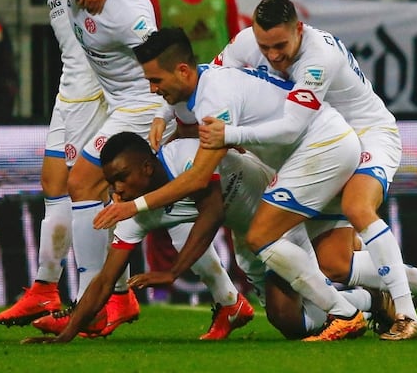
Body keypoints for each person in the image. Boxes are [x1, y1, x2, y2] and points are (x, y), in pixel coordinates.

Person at [214, 0, 417, 339]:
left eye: (280, 46)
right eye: (265, 47)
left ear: (298, 29)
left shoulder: (319, 57)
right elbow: (215, 80)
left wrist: (230, 133)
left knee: (357, 207)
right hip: (322, 150)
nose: (273, 56)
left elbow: (292, 126)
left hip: (366, 136)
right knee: (335, 264)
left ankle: (407, 316)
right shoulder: (245, 43)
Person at [96, 27, 369, 342]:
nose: (152, 88)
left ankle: (369, 303)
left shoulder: (214, 97)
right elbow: (192, 91)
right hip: (274, 177)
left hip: (308, 157)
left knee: (301, 254)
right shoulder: (200, 84)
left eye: (155, 80)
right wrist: (162, 114)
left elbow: (200, 179)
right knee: (290, 314)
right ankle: (371, 301)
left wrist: (135, 207)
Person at [0, 0, 133, 327]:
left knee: (80, 188)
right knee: (57, 184)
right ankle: (54, 290)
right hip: (70, 89)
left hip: (94, 91)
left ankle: (92, 295)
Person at [23, 0, 163, 338]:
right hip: (114, 103)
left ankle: (89, 305)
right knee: (172, 211)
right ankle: (227, 299)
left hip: (142, 106)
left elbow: (161, 65)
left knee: (82, 182)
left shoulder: (125, 13)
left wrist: (168, 116)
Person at [22, 134, 255, 343]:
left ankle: (229, 303)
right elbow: (105, 281)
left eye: (122, 177)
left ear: (147, 167)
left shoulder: (183, 154)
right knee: (278, 316)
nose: (117, 189)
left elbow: (213, 213)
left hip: (273, 207)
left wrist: (172, 272)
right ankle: (231, 306)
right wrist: (65, 336)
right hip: (251, 238)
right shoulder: (135, 218)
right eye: (111, 183)